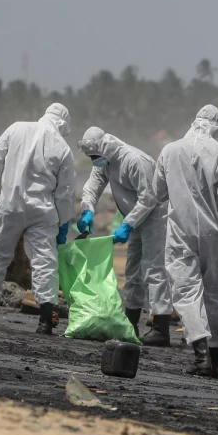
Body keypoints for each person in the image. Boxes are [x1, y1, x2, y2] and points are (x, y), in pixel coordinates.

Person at [0, 104, 75, 335]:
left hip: (10, 204)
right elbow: (64, 193)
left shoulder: (16, 129)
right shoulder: (63, 148)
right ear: (63, 123)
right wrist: (64, 223)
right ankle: (45, 321)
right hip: (43, 210)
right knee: (45, 263)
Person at [152, 105, 218, 377]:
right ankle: (216, 361)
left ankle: (201, 358)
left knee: (187, 293)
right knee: (214, 295)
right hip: (215, 233)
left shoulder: (169, 150)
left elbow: (158, 193)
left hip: (180, 232)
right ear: (216, 128)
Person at [76, 127, 171, 344]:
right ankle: (130, 324)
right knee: (133, 271)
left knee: (154, 269)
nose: (93, 160)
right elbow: (93, 186)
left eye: (94, 157)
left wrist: (127, 225)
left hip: (156, 217)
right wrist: (88, 209)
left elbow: (149, 198)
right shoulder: (104, 160)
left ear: (103, 148)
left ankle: (161, 327)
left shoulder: (134, 160)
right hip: (136, 218)